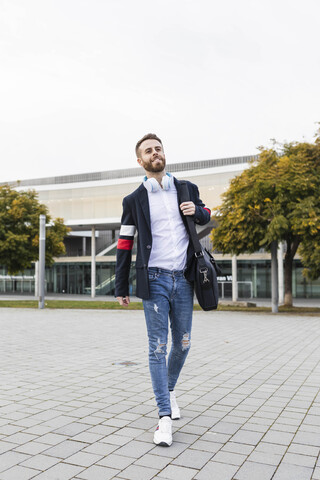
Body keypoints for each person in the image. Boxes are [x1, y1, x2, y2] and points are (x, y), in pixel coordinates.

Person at [115, 133, 211, 446]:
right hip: (153, 279)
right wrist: (120, 285)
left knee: (183, 344)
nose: (155, 153)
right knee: (157, 347)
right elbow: (125, 244)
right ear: (140, 161)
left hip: (184, 278)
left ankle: (167, 391)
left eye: (158, 148)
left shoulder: (186, 188)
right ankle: (164, 418)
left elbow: (207, 214)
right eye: (148, 151)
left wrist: (194, 211)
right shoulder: (133, 200)